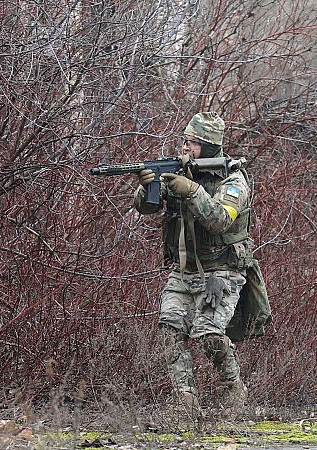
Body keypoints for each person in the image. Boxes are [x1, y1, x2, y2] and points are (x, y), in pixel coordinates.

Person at [133, 112, 261, 419]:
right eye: (185, 141)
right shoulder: (179, 171)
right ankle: (185, 400)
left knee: (209, 333)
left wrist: (191, 190)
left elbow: (221, 220)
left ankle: (233, 389)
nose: (185, 148)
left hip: (222, 271)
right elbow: (147, 208)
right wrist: (146, 186)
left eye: (192, 143)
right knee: (169, 330)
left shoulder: (233, 179)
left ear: (209, 147)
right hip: (184, 270)